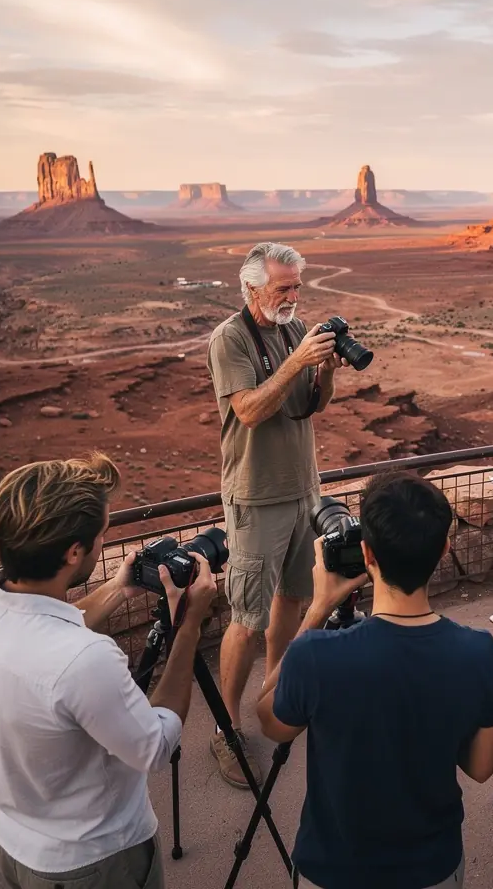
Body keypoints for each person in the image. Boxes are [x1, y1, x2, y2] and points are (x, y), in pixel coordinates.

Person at [0, 453, 217, 889]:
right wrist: (188, 625)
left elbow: (46, 627)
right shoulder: (86, 660)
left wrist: (119, 587)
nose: (102, 542)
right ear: (75, 552)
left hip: (14, 845)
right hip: (95, 865)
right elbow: (155, 745)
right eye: (100, 535)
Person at [256, 472, 493, 889]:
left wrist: (317, 610)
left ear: (366, 553)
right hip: (431, 868)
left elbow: (269, 722)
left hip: (334, 870)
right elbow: (481, 767)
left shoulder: (315, 655)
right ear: (444, 550)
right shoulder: (479, 652)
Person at [206, 241, 347, 787]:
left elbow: (312, 405)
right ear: (251, 287)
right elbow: (248, 410)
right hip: (256, 497)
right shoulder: (230, 338)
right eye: (283, 288)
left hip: (302, 490)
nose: (293, 296)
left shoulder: (296, 329)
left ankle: (276, 696)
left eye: (297, 286)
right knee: (247, 619)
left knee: (291, 599)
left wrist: (325, 370)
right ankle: (226, 728)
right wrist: (297, 361)